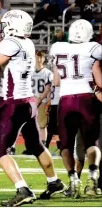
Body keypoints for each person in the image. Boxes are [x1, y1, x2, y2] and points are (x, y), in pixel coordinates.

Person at [0, 10, 66, 206]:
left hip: (14, 103)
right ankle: (54, 181)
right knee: (35, 145)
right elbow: (2, 70)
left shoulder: (10, 43)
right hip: (28, 101)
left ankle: (22, 189)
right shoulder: (27, 43)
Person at [51, 19, 102, 198]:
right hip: (86, 98)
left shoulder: (58, 47)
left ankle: (73, 182)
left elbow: (56, 81)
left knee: (65, 145)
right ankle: (93, 177)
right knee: (90, 143)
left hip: (65, 100)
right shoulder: (93, 48)